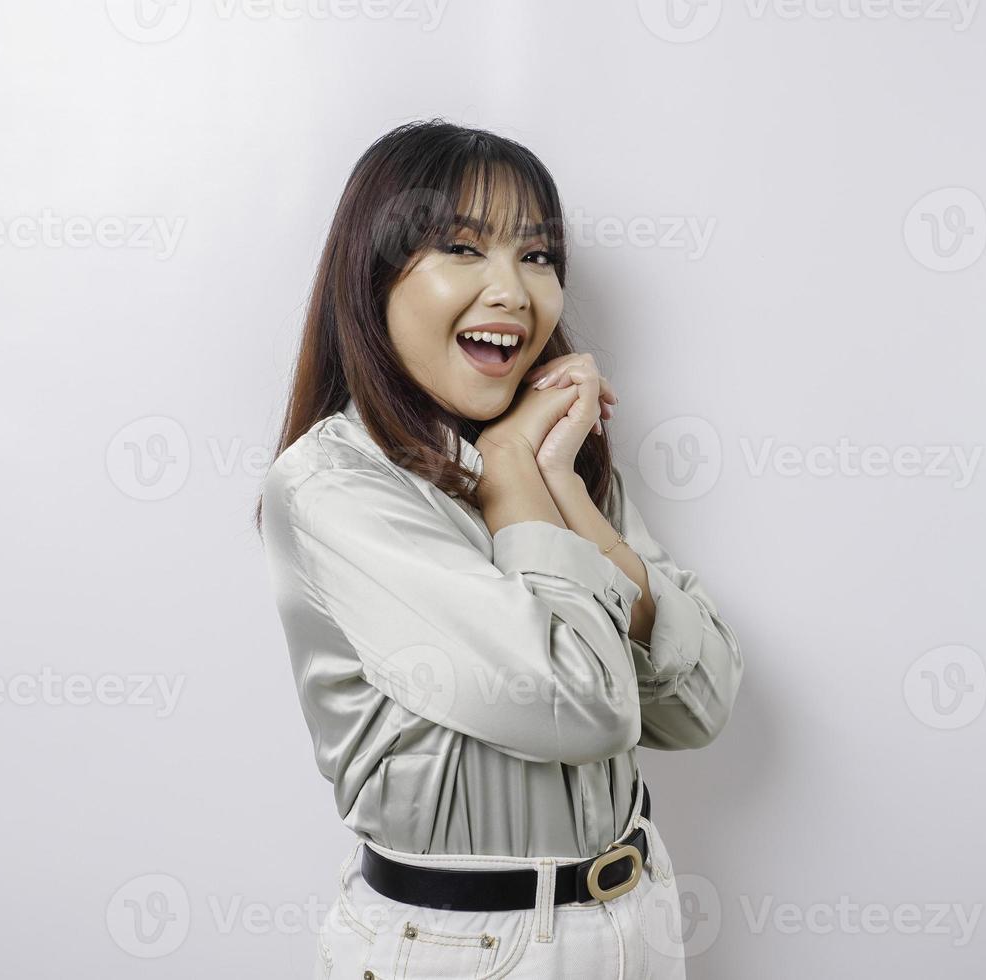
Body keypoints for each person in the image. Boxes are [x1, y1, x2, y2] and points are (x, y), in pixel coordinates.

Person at [255, 118, 744, 979]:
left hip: (639, 917)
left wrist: (560, 485)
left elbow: (697, 705)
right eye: (463, 248)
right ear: (374, 279)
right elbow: (582, 708)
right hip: (464, 948)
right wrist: (517, 473)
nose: (514, 292)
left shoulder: (559, 454)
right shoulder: (334, 485)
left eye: (538, 255)